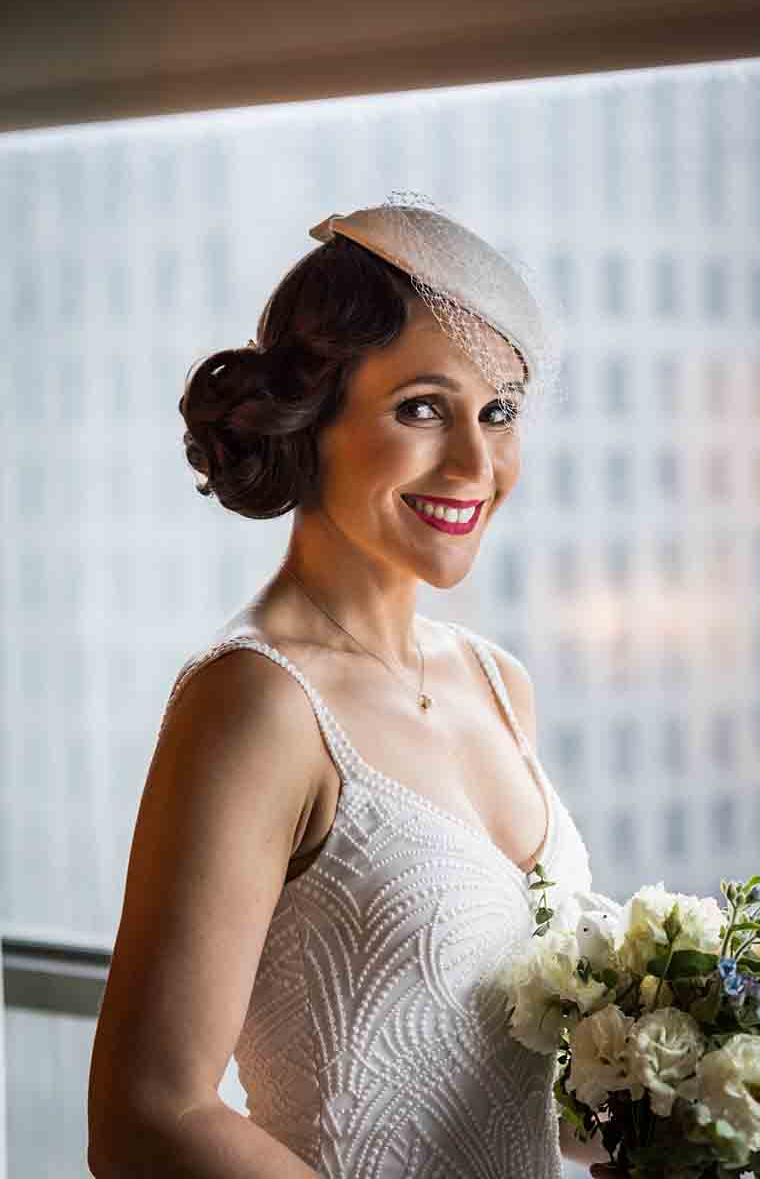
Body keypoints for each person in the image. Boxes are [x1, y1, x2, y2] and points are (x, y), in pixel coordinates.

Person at [88, 195, 604, 1178]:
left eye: (496, 412)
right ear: (308, 417)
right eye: (422, 407)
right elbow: (146, 1116)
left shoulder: (497, 683)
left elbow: (513, 1074)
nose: (473, 462)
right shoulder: (255, 706)